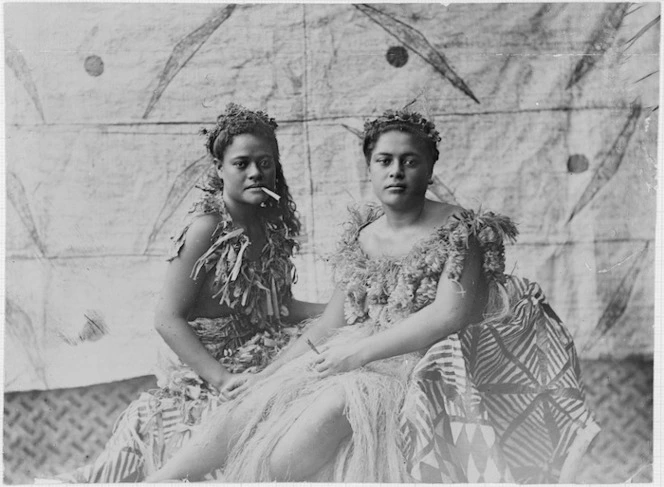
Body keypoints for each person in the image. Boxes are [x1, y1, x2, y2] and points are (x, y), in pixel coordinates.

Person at [145, 109, 600, 483]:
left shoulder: (460, 228)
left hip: (422, 361)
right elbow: (332, 322)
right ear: (370, 167)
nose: (397, 172)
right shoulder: (363, 234)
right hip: (356, 347)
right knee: (259, 399)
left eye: (410, 161)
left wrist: (358, 356)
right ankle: (161, 481)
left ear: (430, 167)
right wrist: (274, 374)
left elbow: (447, 314)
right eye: (385, 161)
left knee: (331, 410)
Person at [56, 104, 325, 482]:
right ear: (220, 168)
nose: (255, 173)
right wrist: (221, 379)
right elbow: (167, 318)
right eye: (242, 163)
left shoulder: (271, 225)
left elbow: (278, 307)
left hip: (261, 352)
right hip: (211, 368)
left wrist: (339, 308)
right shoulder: (207, 227)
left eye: (265, 163)